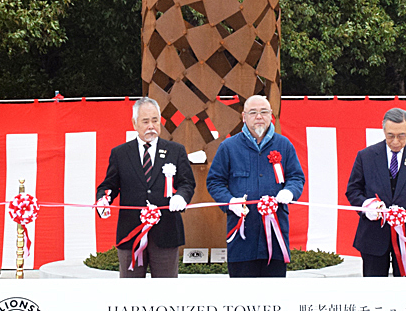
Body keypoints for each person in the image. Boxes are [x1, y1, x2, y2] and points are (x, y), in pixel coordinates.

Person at [95, 97, 196, 277]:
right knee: (130, 295)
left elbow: (187, 183)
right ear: (134, 123)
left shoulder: (176, 150)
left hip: (166, 232)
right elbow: (109, 186)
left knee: (165, 293)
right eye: (145, 121)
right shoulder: (120, 154)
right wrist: (103, 199)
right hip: (130, 234)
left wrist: (181, 196)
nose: (151, 126)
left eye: (155, 120)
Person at [207, 95, 305, 277]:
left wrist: (290, 192)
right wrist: (230, 202)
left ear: (271, 115)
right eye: (253, 112)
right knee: (243, 298)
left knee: (274, 299)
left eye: (263, 112)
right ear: (244, 117)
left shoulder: (284, 145)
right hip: (242, 239)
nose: (259, 116)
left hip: (276, 240)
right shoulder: (229, 147)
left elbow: (297, 177)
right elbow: (214, 182)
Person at [345, 108, 406, 277]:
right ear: (384, 131)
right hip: (373, 235)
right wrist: (367, 206)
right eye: (390, 135)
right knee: (374, 291)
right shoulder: (366, 156)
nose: (395, 141)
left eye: (401, 135)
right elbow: (353, 190)